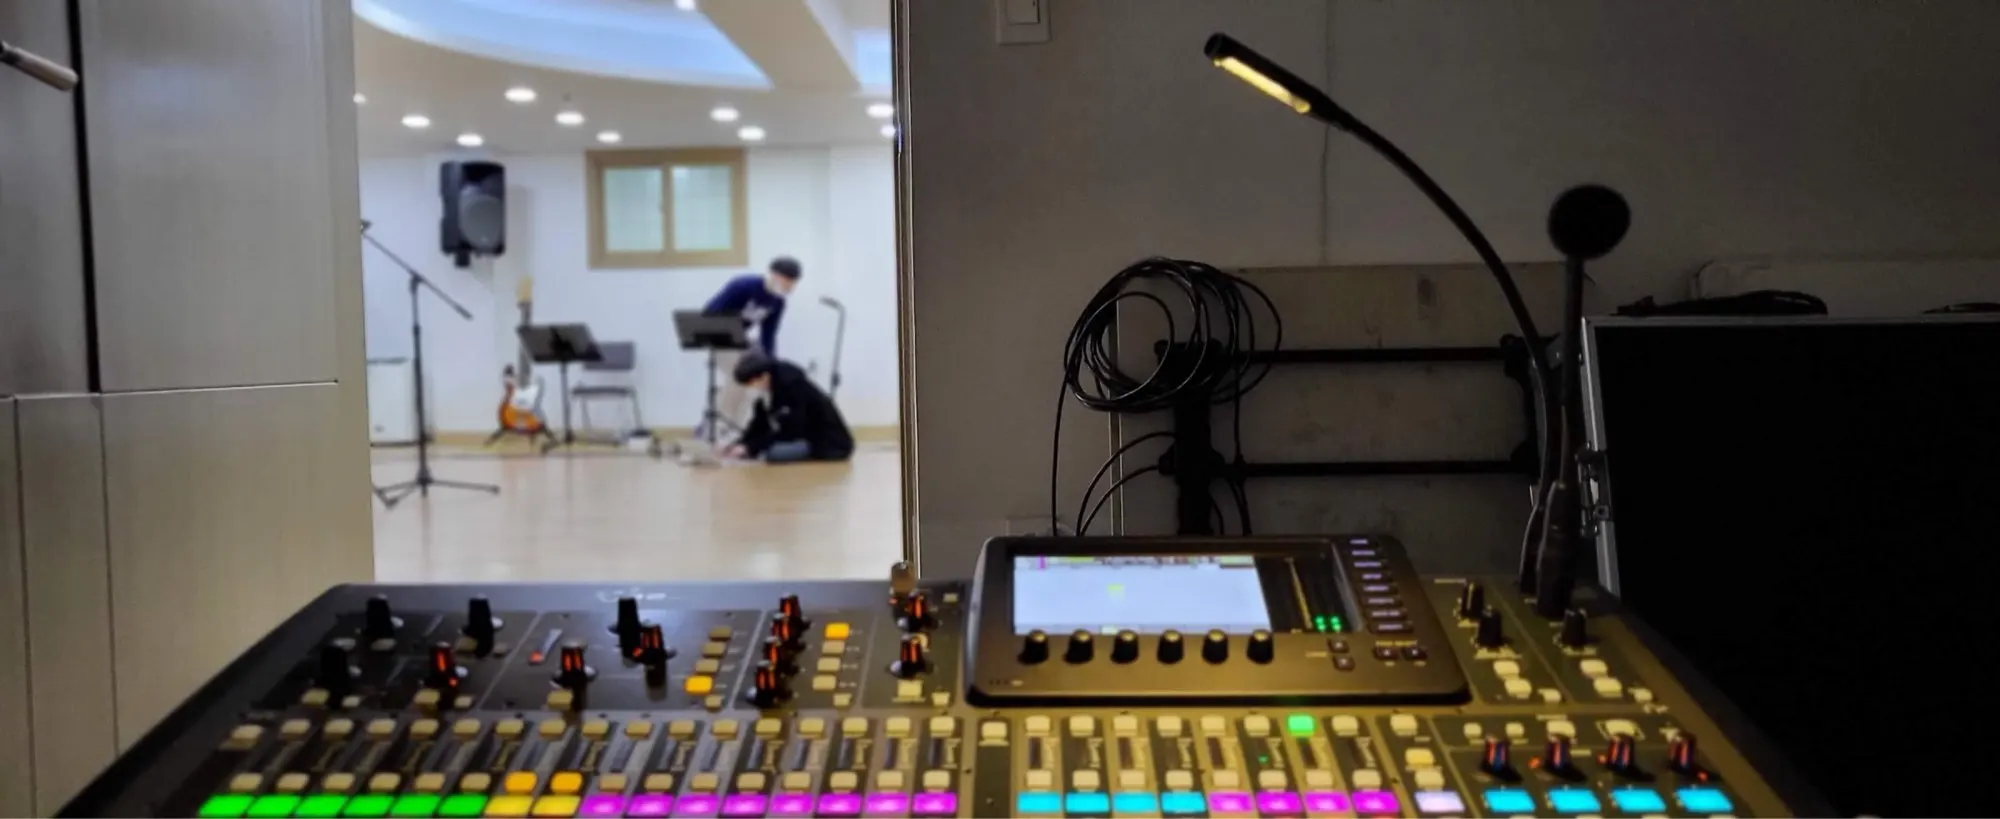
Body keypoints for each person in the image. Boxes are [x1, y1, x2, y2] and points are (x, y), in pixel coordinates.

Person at [700, 257, 801, 437]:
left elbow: (768, 335)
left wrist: (771, 365)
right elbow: (711, 311)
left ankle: (737, 429)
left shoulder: (778, 303)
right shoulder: (743, 285)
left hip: (741, 340)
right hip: (720, 337)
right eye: (787, 281)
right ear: (774, 275)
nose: (789, 287)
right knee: (739, 377)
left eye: (792, 284)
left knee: (756, 382)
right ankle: (719, 425)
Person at [722, 352, 853, 463]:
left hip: (827, 443)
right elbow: (758, 424)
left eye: (751, 383)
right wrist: (739, 444)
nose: (750, 388)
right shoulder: (767, 392)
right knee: (764, 450)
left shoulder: (793, 387)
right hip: (802, 438)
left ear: (764, 376)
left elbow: (792, 430)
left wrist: (752, 447)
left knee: (773, 453)